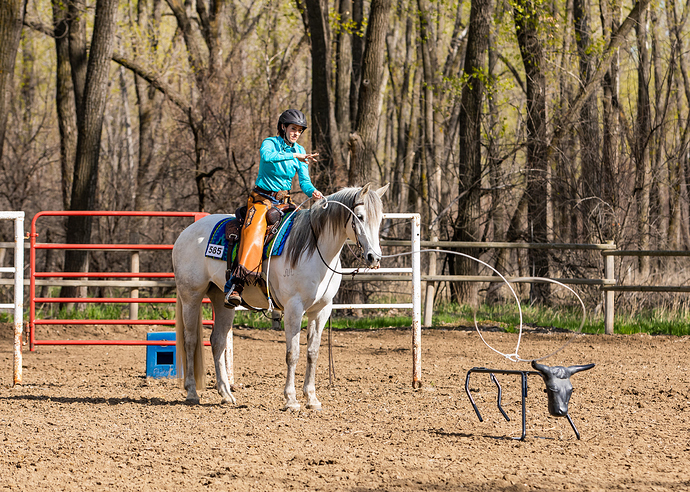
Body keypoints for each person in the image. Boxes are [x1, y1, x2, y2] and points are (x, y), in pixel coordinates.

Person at [224, 109, 324, 308]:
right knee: (254, 230)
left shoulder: (301, 151)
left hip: (285, 202)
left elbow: (304, 182)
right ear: (283, 128)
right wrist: (294, 155)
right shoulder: (269, 143)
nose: (296, 133)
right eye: (293, 129)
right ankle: (237, 283)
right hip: (261, 199)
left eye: (299, 130)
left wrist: (313, 192)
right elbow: (267, 157)